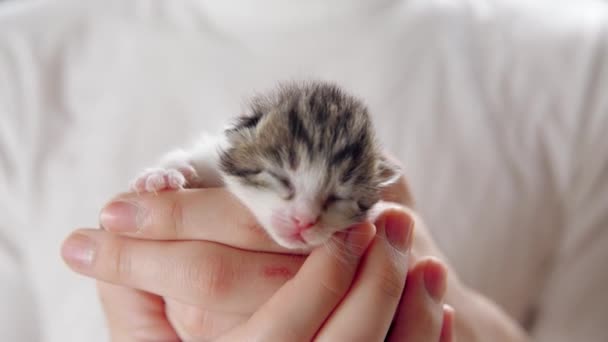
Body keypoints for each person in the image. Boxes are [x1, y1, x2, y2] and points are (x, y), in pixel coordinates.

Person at [1, 0, 607, 341]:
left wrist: (466, 327)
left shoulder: (583, 70)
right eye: (287, 185)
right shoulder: (19, 63)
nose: (302, 218)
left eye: (337, 199)